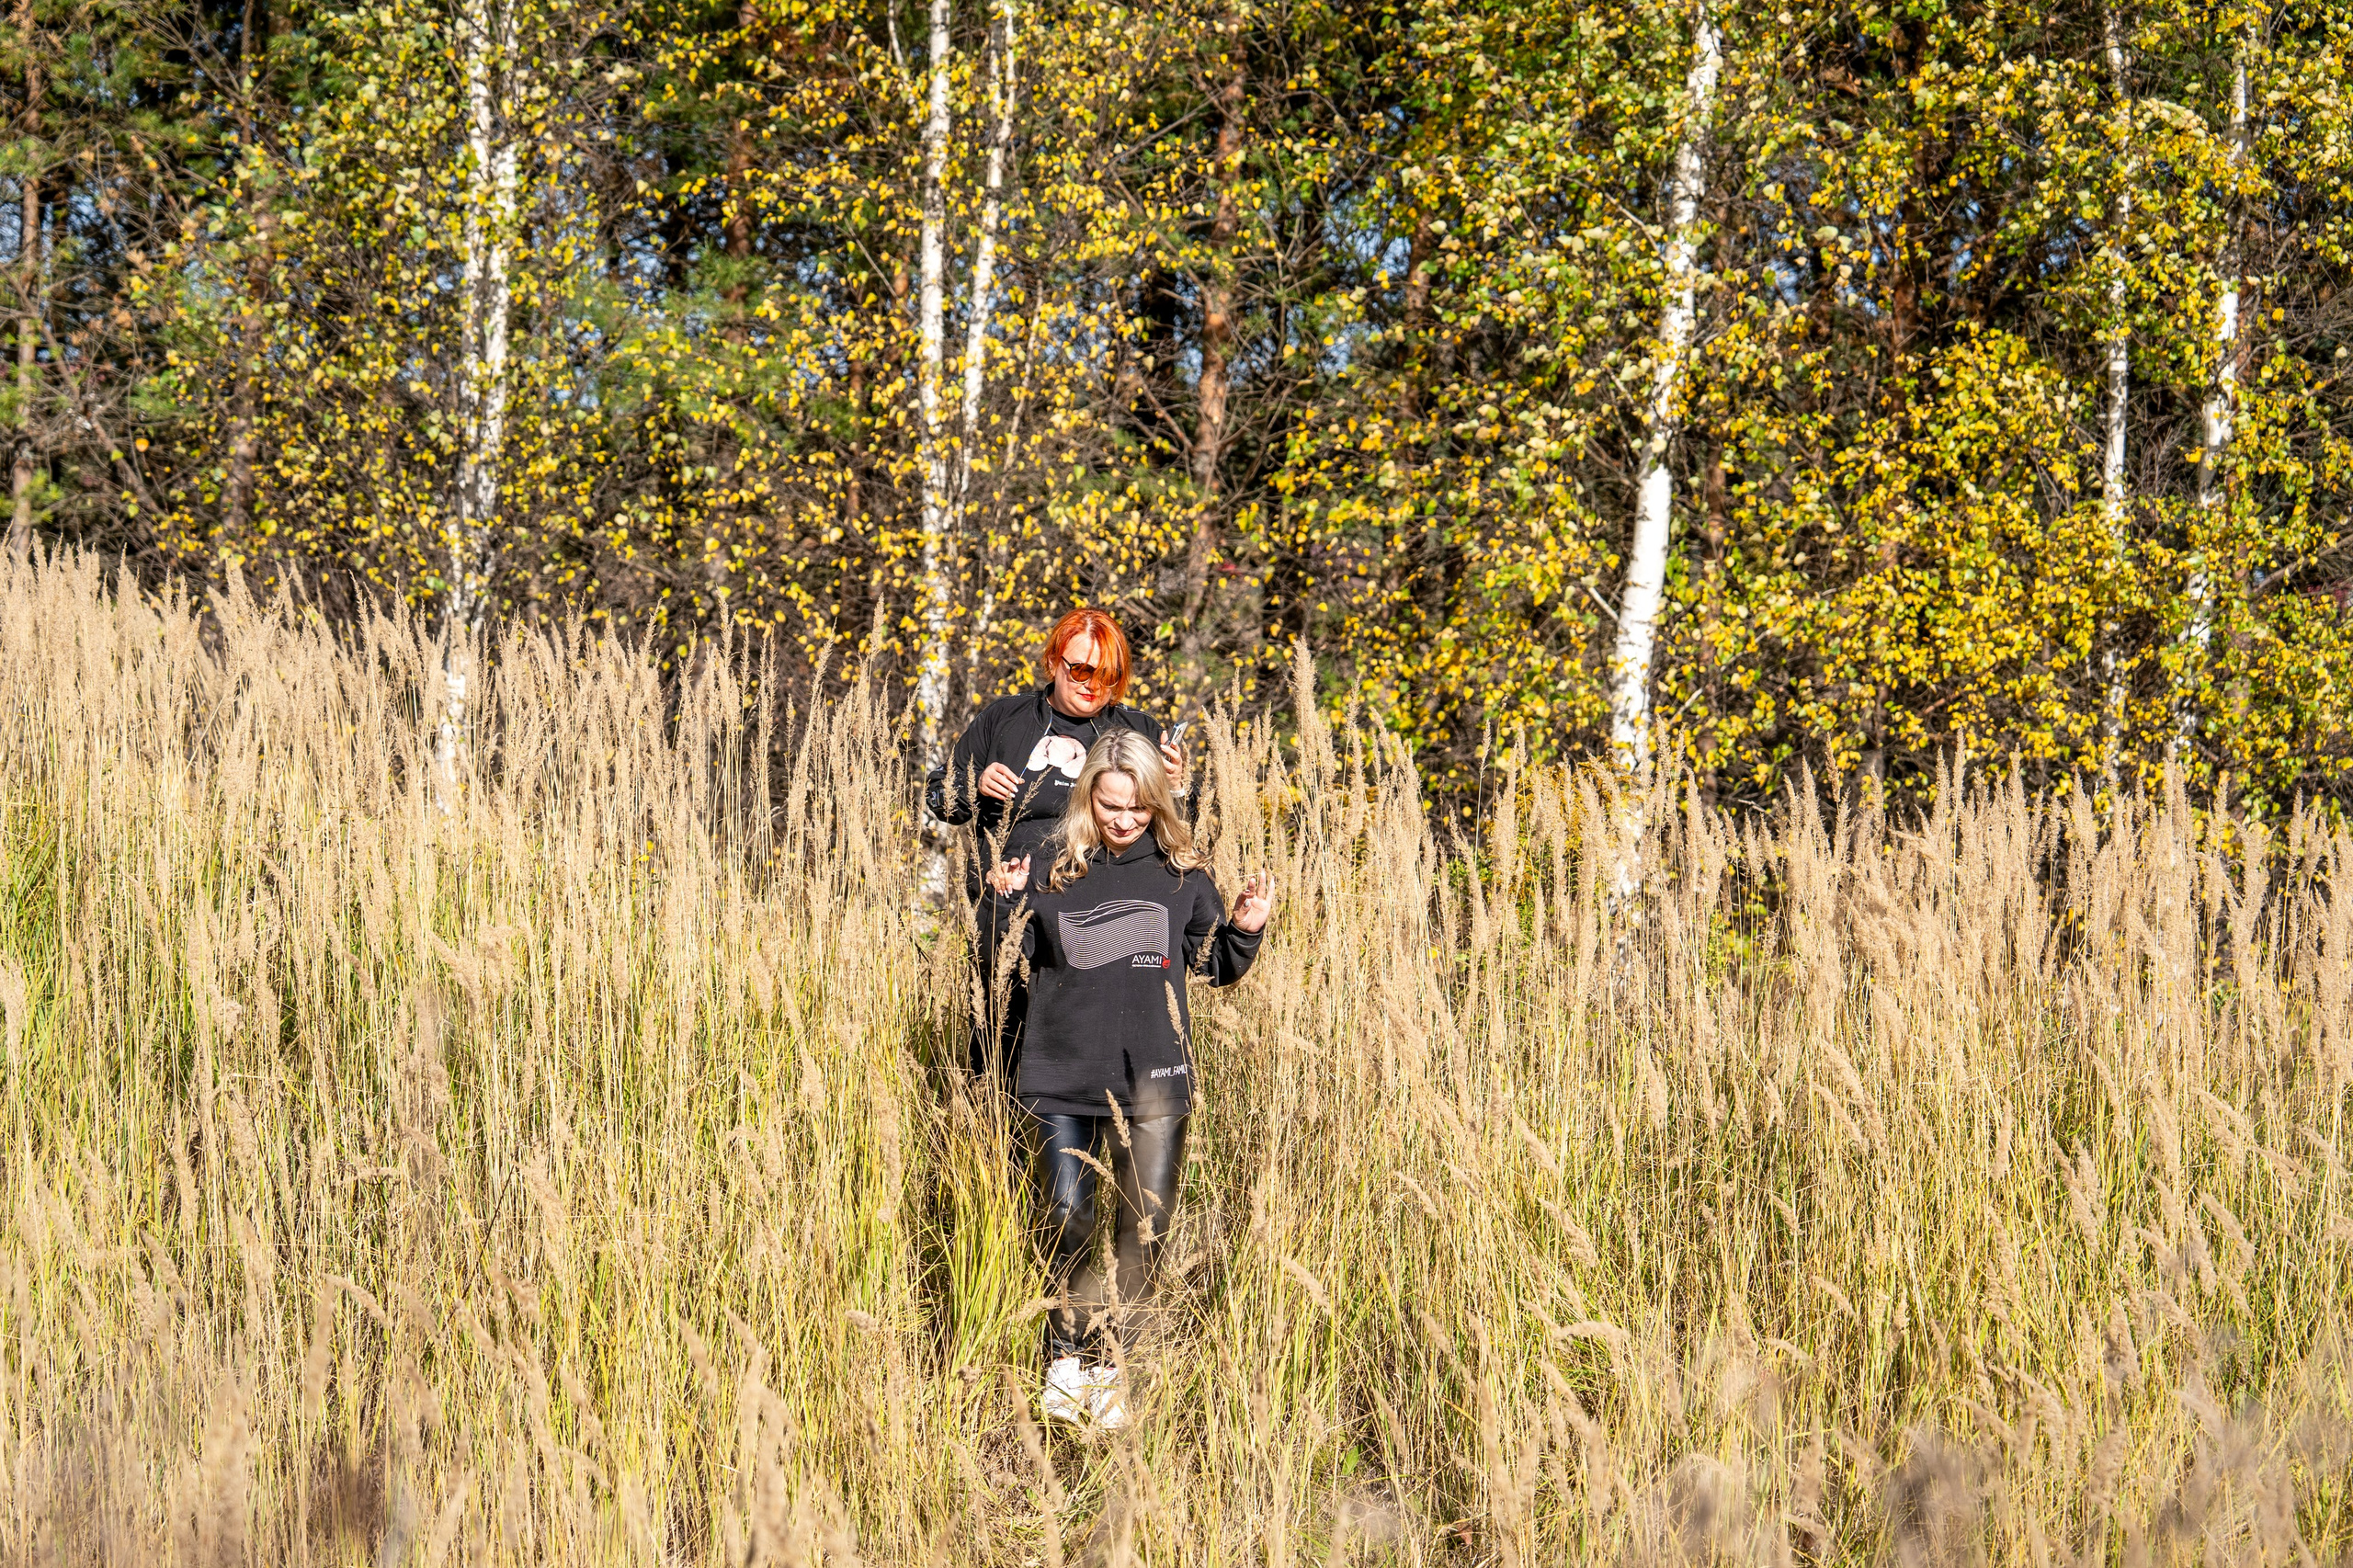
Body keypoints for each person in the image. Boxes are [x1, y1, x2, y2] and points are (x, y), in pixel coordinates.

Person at [982, 730, 1273, 1429]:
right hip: (1060, 1071)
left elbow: (1214, 967)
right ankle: (1064, 1359)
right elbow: (999, 959)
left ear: (1157, 803)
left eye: (1138, 808)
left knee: (1144, 1227)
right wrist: (999, 901)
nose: (1122, 821)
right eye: (1110, 805)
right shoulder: (1052, 864)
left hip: (1157, 1080)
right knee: (1067, 1215)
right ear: (1089, 798)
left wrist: (1245, 930)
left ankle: (1112, 1366)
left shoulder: (1183, 876)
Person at [926, 608, 1188, 1080]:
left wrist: (1176, 786)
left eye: (1107, 675)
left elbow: (1170, 832)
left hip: (1098, 929)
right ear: (1054, 661)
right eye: (1081, 669)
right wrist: (974, 781)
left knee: (1090, 1061)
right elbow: (943, 801)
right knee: (1000, 1050)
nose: (1092, 685)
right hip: (1009, 918)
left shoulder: (1138, 731)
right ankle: (996, 1148)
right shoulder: (1004, 719)